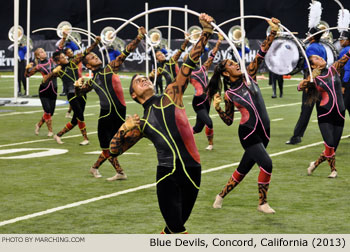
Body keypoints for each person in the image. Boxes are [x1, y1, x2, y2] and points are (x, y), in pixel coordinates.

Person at [108, 13, 214, 233]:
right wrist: (122, 129)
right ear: (134, 96)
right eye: (137, 82)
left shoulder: (170, 95)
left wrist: (206, 32)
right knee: (177, 229)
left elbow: (189, 65)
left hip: (193, 171)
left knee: (172, 229)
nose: (143, 79)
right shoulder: (140, 122)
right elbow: (113, 151)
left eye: (144, 78)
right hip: (166, 174)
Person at [208, 17, 281, 214]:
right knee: (266, 163)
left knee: (243, 169)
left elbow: (261, 53)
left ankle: (220, 196)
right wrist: (219, 109)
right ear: (225, 73)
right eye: (231, 64)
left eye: (234, 62)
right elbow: (230, 121)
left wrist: (272, 32)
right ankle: (262, 203)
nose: (235, 64)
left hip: (265, 131)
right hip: (248, 134)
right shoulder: (229, 94)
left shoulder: (250, 75)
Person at [74, 27, 146, 181]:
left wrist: (139, 38)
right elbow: (80, 93)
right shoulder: (93, 80)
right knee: (108, 146)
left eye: (95, 55)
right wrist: (76, 86)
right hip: (106, 115)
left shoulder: (108, 69)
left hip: (117, 113)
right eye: (92, 58)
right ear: (89, 66)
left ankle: (97, 168)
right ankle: (115, 172)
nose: (96, 57)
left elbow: (124, 54)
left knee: (115, 146)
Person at [301, 50, 350, 178]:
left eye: (320, 57)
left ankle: (314, 164)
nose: (320, 58)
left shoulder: (334, 69)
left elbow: (346, 57)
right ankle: (333, 170)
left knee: (333, 147)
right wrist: (308, 80)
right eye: (316, 58)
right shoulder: (313, 78)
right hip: (325, 114)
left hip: (340, 112)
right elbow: (301, 87)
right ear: (312, 65)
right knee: (329, 143)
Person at [52, 33, 101, 145]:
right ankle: (85, 139)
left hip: (82, 92)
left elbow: (86, 52)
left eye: (65, 56)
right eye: (63, 57)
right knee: (80, 116)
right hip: (71, 93)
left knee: (75, 120)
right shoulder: (58, 70)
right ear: (58, 61)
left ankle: (58, 135)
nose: (65, 57)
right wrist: (52, 73)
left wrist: (96, 43)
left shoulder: (73, 62)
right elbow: (46, 79)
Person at [286, 28, 327, 145]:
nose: (307, 36)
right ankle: (328, 137)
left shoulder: (311, 48)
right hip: (321, 82)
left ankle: (296, 136)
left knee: (306, 111)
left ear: (313, 36)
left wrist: (308, 82)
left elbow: (310, 66)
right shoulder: (322, 47)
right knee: (322, 111)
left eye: (309, 34)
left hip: (312, 82)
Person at [188, 33, 223, 150]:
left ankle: (180, 135)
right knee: (209, 122)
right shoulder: (187, 74)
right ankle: (211, 144)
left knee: (198, 128)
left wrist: (218, 42)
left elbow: (212, 55)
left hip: (207, 100)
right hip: (198, 101)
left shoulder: (203, 68)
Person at [25, 48, 59, 137]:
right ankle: (50, 131)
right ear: (38, 56)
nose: (43, 53)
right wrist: (27, 69)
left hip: (54, 89)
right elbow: (27, 75)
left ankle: (38, 125)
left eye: (44, 51)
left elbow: (59, 49)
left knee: (51, 112)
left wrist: (64, 37)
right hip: (44, 90)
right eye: (41, 52)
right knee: (47, 110)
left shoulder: (52, 60)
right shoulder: (38, 66)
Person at [338, 31, 350, 118]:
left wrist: (343, 85)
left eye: (343, 39)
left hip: (347, 82)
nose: (340, 41)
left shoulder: (346, 50)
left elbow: (348, 69)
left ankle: (337, 130)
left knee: (341, 107)